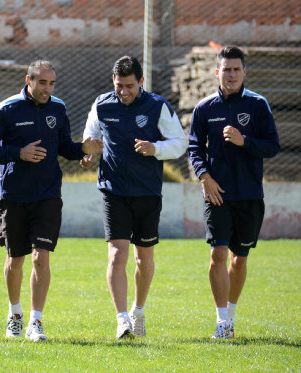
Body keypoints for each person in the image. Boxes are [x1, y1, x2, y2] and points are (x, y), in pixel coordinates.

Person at [0, 60, 103, 342]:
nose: (47, 89)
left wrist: (82, 150)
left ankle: (36, 321)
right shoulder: (7, 109)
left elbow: (63, 146)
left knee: (41, 256)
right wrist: (17, 153)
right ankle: (14, 315)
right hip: (14, 195)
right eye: (42, 82)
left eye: (52, 83)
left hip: (48, 194)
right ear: (28, 80)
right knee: (15, 258)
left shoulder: (57, 108)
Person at [81, 56, 188, 339]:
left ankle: (138, 311)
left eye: (129, 86)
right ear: (112, 82)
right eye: (119, 86)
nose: (124, 91)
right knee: (117, 254)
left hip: (147, 192)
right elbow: (91, 137)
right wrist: (90, 153)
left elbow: (179, 143)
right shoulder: (102, 104)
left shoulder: (157, 106)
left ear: (141, 82)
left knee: (144, 258)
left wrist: (155, 149)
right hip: (113, 190)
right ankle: (122, 320)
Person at [188, 45, 280, 338]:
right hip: (217, 194)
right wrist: (204, 177)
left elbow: (273, 146)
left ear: (244, 72)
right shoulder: (204, 108)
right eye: (225, 69)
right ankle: (221, 321)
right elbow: (194, 148)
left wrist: (245, 142)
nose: (230, 74)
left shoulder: (258, 104)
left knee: (239, 259)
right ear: (216, 72)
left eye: (236, 69)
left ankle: (231, 313)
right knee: (218, 254)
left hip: (250, 194)